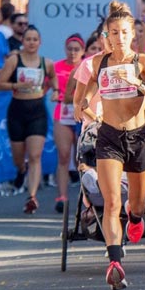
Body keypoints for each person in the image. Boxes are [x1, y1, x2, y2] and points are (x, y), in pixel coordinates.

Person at [75, 1, 145, 290]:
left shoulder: (144, 62)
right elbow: (86, 92)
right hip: (109, 137)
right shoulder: (98, 63)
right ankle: (115, 263)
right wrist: (85, 104)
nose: (119, 37)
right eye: (113, 32)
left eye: (124, 32)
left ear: (133, 35)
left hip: (138, 137)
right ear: (107, 35)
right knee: (112, 202)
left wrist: (138, 83)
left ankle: (137, 216)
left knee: (136, 205)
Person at [0, 25, 57, 213]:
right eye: (28, 39)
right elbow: (0, 84)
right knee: (19, 157)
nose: (31, 42)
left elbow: (53, 80)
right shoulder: (14, 60)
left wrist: (52, 90)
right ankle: (21, 170)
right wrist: (17, 84)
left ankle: (32, 197)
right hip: (17, 111)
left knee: (35, 155)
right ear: (22, 42)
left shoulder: (46, 62)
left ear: (40, 42)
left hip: (37, 111)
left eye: (35, 39)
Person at [51, 34, 85, 213]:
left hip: (83, 116)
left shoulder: (86, 67)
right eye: (70, 49)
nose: (73, 53)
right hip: (63, 115)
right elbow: (46, 87)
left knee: (81, 158)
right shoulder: (56, 66)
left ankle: (86, 197)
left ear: (83, 51)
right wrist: (53, 93)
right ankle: (62, 197)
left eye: (76, 49)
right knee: (63, 156)